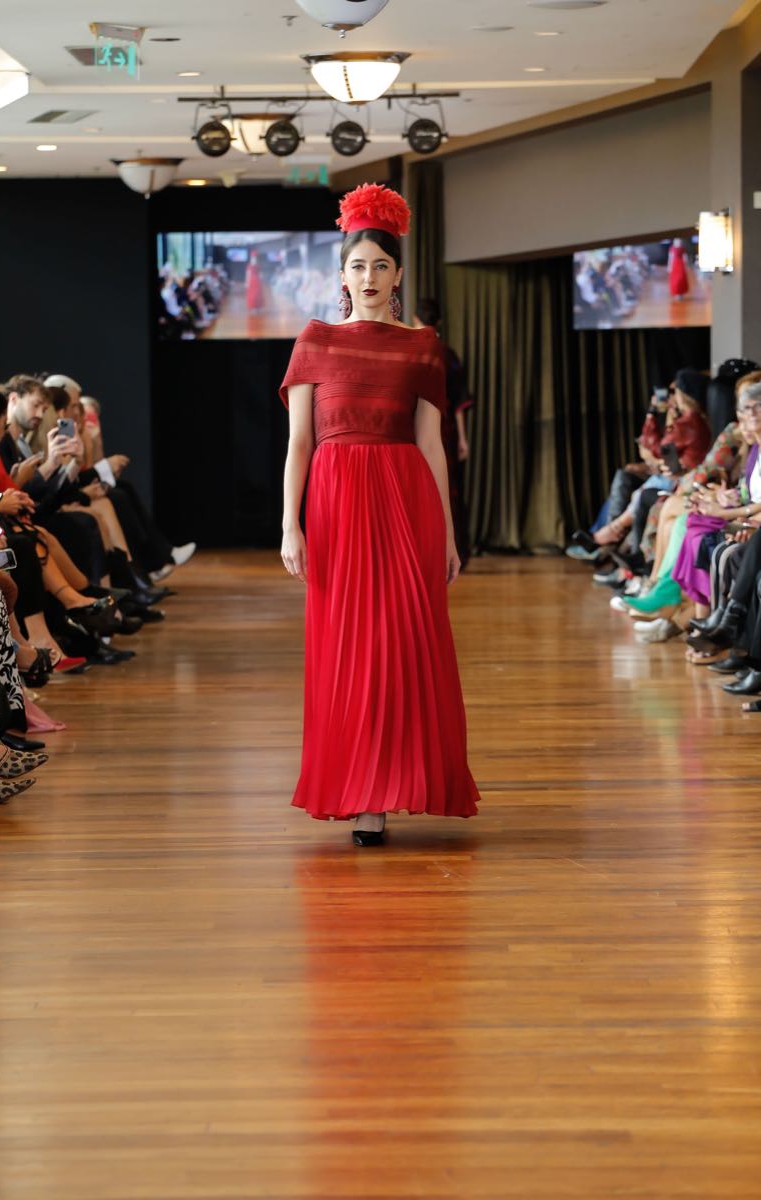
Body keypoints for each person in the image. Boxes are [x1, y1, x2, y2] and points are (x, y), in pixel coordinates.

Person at [279, 183, 480, 847]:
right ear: (342, 275)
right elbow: (300, 443)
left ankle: (397, 784)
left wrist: (448, 533)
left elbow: (432, 444)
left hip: (405, 501)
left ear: (398, 276)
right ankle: (364, 794)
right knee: (348, 648)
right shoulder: (314, 341)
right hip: (336, 504)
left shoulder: (422, 345)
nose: (369, 277)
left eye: (381, 266)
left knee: (404, 645)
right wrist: (290, 524)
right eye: (358, 265)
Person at [412, 297, 473, 565]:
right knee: (449, 489)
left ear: (415, 319)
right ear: (439, 321)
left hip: (416, 431)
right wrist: (463, 438)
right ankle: (455, 550)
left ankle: (424, 548)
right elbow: (459, 401)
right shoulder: (448, 354)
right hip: (445, 431)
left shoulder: (414, 351)